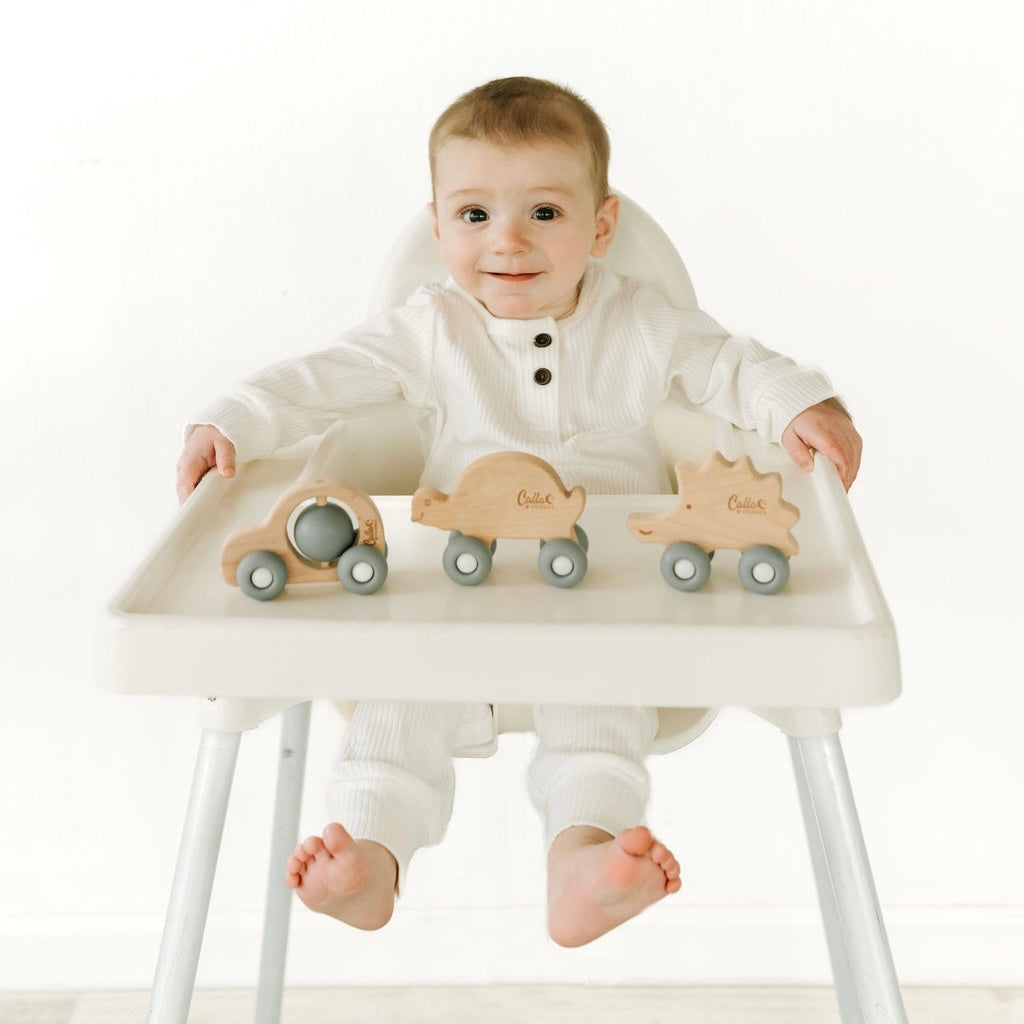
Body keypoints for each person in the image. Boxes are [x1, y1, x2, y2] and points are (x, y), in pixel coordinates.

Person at [176, 77, 862, 948]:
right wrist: (231, 419)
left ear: (601, 228)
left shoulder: (642, 322)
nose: (507, 240)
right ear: (438, 230)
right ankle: (371, 856)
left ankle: (583, 860)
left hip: (605, 585)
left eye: (543, 212)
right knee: (400, 699)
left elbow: (729, 364)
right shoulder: (432, 328)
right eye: (474, 215)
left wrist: (800, 403)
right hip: (459, 577)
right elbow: (322, 378)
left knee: (601, 709)